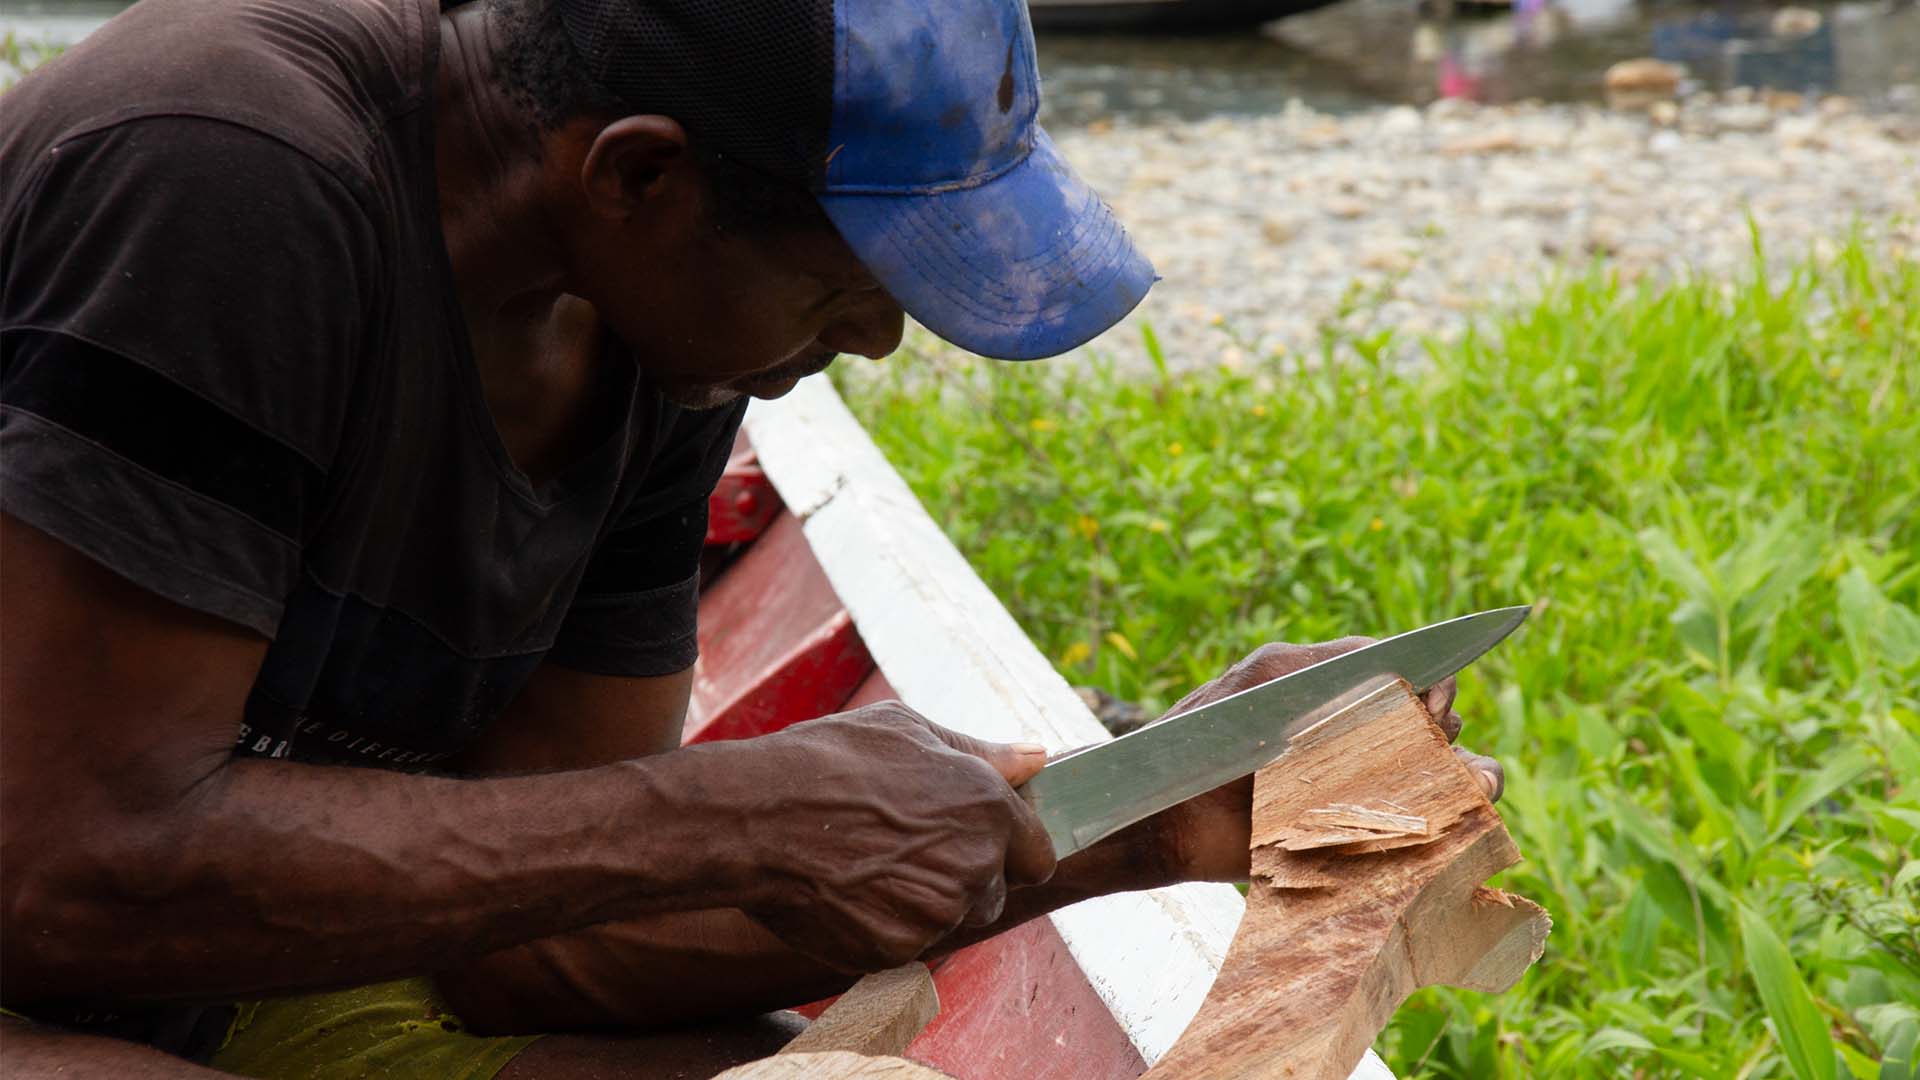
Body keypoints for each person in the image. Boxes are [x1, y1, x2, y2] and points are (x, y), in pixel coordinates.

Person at [0, 0, 1504, 1074]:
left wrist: (1135, 821)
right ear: (641, 177)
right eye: (847, 276)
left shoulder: (654, 341)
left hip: (227, 974)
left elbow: (529, 943)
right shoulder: (228, 170)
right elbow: (61, 871)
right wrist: (729, 817)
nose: (884, 338)